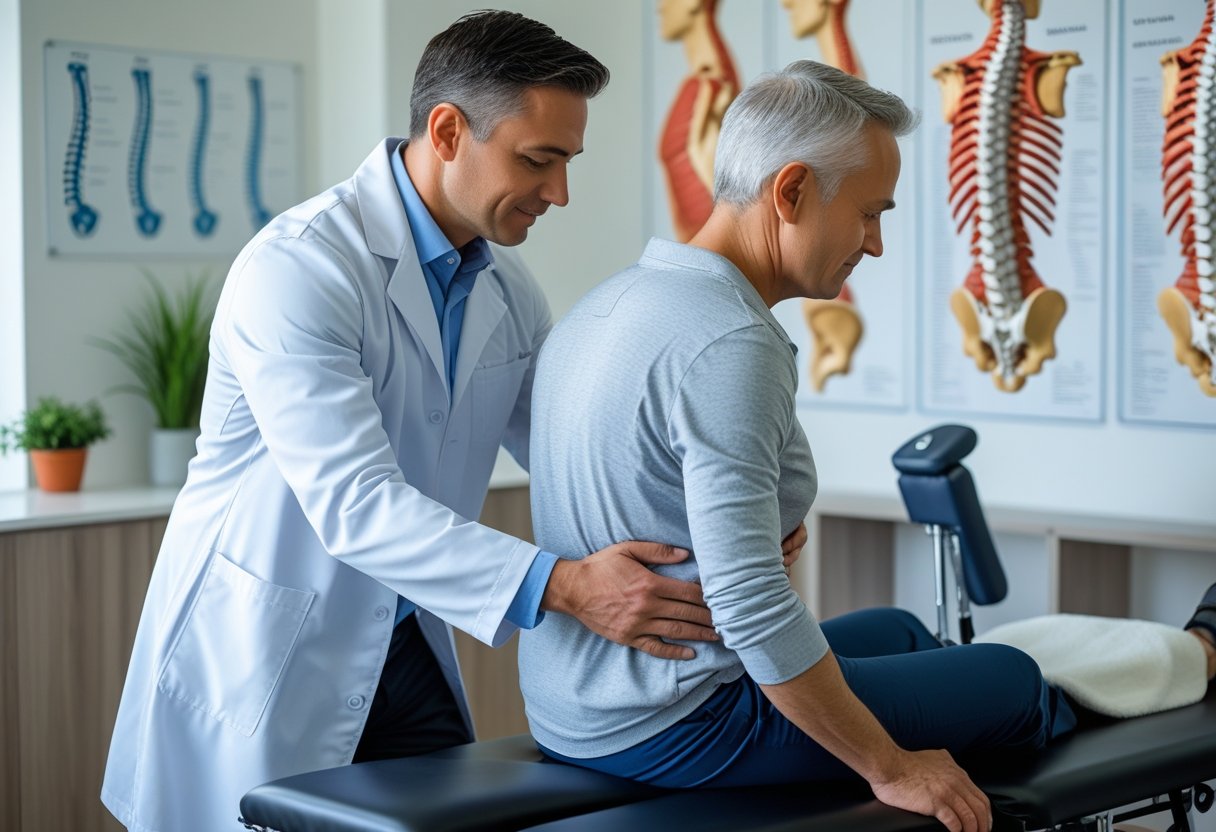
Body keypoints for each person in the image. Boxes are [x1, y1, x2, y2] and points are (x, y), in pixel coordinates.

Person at [101, 12, 810, 832]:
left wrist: (730, 522)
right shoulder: (298, 270)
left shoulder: (507, 291)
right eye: (538, 161)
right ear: (446, 131)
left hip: (404, 642)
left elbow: (574, 442)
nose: (560, 193)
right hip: (267, 653)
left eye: (567, 163)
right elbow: (356, 504)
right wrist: (569, 586)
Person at [518, 60, 1216, 832]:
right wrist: (892, 766)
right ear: (791, 192)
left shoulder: (613, 301)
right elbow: (750, 607)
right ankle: (1198, 657)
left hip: (579, 701)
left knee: (900, 630)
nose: (875, 245)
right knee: (1014, 682)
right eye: (869, 214)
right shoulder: (729, 341)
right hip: (679, 721)